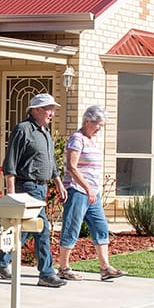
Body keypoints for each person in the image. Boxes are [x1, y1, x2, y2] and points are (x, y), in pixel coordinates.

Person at [0, 92, 67, 287]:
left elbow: (50, 163)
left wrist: (58, 183)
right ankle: (46, 273)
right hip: (27, 187)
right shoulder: (23, 130)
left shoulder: (45, 131)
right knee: (42, 229)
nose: (52, 113)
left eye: (53, 109)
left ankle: (0, 262)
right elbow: (10, 162)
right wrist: (11, 193)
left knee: (23, 230)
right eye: (49, 109)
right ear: (37, 110)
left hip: (41, 188)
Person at [56, 105, 125, 281]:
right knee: (72, 228)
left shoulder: (91, 140)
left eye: (102, 126)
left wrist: (92, 190)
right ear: (87, 121)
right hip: (77, 191)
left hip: (92, 193)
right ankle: (63, 268)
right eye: (97, 125)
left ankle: (105, 268)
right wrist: (87, 188)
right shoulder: (76, 139)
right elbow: (71, 167)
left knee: (100, 227)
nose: (99, 129)